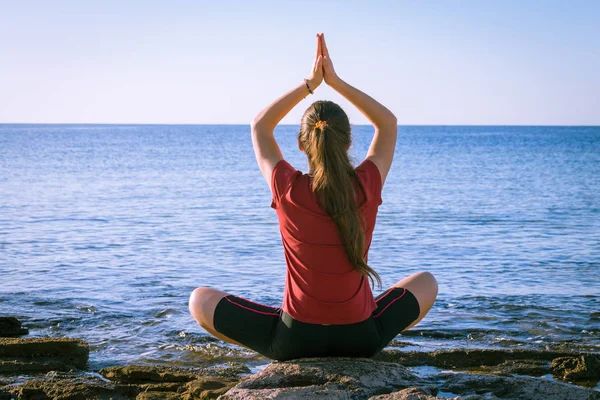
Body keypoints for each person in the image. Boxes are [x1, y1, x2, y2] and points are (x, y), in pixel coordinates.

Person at [189, 33, 438, 361]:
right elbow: (387, 124)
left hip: (295, 342)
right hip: (362, 339)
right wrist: (334, 82)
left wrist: (310, 83)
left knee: (199, 299)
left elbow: (260, 126)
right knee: (426, 282)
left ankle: (275, 358)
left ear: (301, 143)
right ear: (348, 144)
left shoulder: (287, 187)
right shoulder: (366, 184)